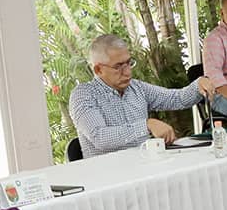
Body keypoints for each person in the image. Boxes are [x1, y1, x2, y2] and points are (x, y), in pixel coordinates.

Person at [68, 34, 213, 158]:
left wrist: (198, 85)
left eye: (128, 63)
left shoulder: (136, 87)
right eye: (118, 66)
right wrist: (147, 125)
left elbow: (176, 98)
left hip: (145, 164)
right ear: (98, 69)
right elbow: (99, 137)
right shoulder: (83, 95)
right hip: (107, 176)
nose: (127, 72)